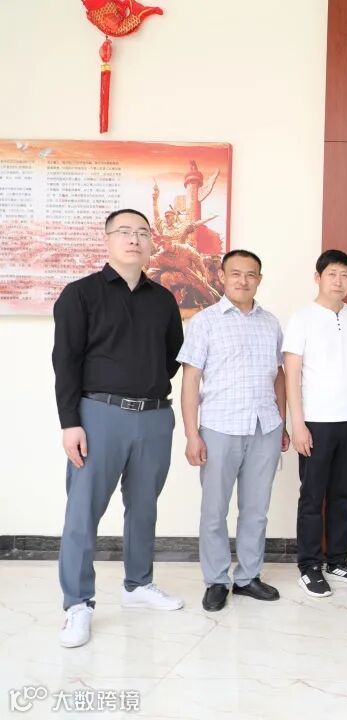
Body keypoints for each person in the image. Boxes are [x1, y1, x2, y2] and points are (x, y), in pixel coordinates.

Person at [53, 209, 185, 648]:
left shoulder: (163, 300)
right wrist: (70, 422)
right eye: (125, 232)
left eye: (142, 233)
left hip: (154, 416)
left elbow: (171, 356)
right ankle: (78, 604)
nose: (134, 239)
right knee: (83, 510)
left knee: (144, 506)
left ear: (151, 244)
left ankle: (138, 583)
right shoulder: (80, 294)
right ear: (107, 239)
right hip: (99, 415)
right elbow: (65, 362)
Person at [178, 249, 290, 612]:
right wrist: (192, 434)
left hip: (264, 427)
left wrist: (282, 422)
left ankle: (247, 578)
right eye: (236, 273)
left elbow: (279, 377)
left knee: (256, 510)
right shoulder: (205, 322)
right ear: (222, 277)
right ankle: (216, 580)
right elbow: (190, 380)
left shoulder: (271, 323)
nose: (243, 280)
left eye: (251, 274)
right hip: (219, 427)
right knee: (214, 511)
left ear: (259, 280)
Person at [283, 249, 347, 598]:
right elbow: (291, 373)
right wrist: (298, 424)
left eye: (345, 275)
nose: (339, 281)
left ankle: (338, 560)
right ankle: (309, 565)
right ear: (318, 278)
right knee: (312, 495)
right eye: (332, 274)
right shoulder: (302, 318)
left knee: (343, 494)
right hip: (316, 422)